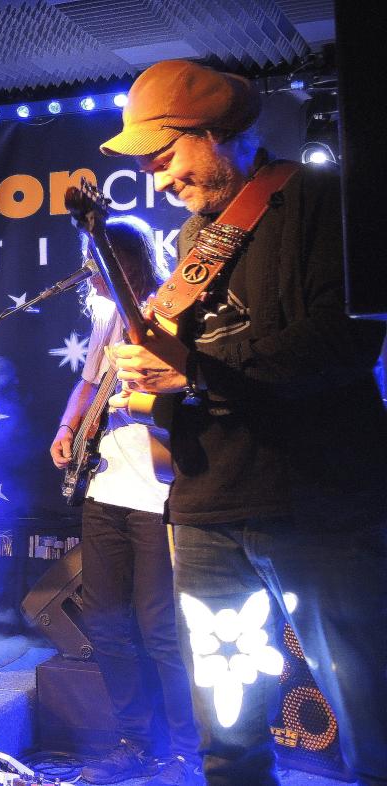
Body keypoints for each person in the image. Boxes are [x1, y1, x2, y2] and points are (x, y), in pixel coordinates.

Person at [100, 59, 387, 786]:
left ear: (216, 131)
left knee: (371, 712)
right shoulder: (193, 242)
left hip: (317, 504)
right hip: (208, 505)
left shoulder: (324, 200)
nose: (158, 178)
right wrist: (156, 382)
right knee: (227, 735)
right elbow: (195, 374)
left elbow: (343, 343)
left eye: (165, 153)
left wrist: (192, 371)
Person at [49, 217, 200, 785]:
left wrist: (146, 395)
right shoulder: (108, 318)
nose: (91, 276)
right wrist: (67, 428)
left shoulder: (169, 312)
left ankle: (187, 752)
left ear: (127, 262)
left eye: (100, 264)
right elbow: (89, 383)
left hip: (159, 493)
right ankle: (136, 742)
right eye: (89, 264)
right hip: (106, 487)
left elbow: (190, 391)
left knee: (162, 630)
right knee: (106, 622)